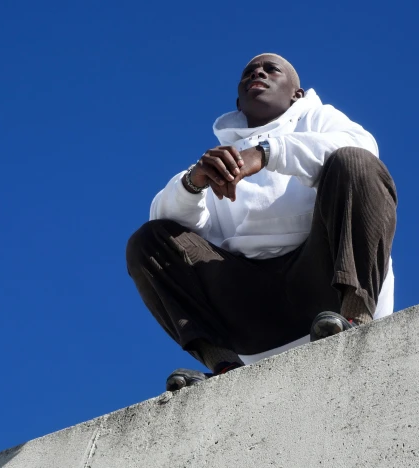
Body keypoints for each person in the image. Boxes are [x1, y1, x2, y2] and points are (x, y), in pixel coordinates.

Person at [126, 53, 397, 391]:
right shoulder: (222, 158)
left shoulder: (319, 119)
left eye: (272, 69)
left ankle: (356, 318)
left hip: (325, 287)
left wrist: (266, 153)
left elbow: (362, 147)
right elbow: (166, 230)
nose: (258, 72)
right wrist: (193, 182)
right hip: (252, 311)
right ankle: (223, 366)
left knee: (356, 163)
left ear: (296, 93)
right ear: (239, 101)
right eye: (250, 72)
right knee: (148, 242)